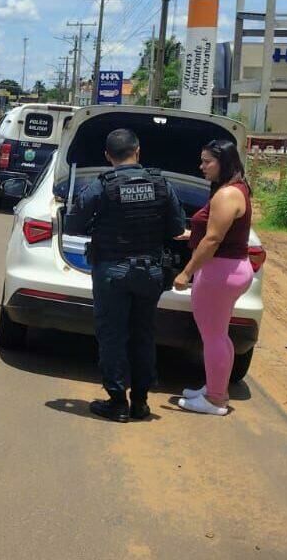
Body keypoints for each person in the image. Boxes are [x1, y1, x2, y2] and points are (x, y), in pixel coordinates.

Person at [66, 128, 185, 422]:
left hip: (112, 272)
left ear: (107, 156)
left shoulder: (101, 186)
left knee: (113, 335)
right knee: (144, 334)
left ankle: (117, 402)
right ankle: (141, 403)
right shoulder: (161, 184)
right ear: (138, 151)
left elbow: (75, 224)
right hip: (150, 272)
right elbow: (176, 228)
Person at [173, 139, 254, 416]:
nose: (201, 166)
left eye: (207, 161)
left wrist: (186, 272)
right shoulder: (237, 188)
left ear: (224, 161)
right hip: (231, 269)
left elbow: (214, 239)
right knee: (219, 335)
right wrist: (189, 235)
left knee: (213, 337)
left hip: (220, 272)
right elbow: (219, 232)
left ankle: (215, 400)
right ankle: (214, 390)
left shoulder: (227, 194)